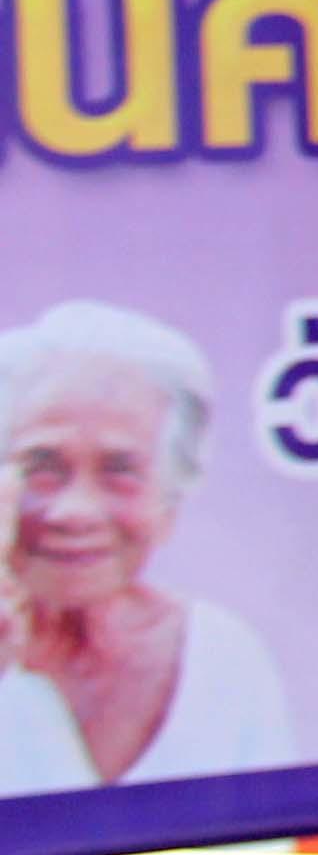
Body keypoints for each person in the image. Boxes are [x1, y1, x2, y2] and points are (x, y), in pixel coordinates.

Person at [0, 302, 291, 795]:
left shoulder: (224, 660)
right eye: (41, 467)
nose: (75, 511)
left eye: (120, 471)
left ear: (171, 497)